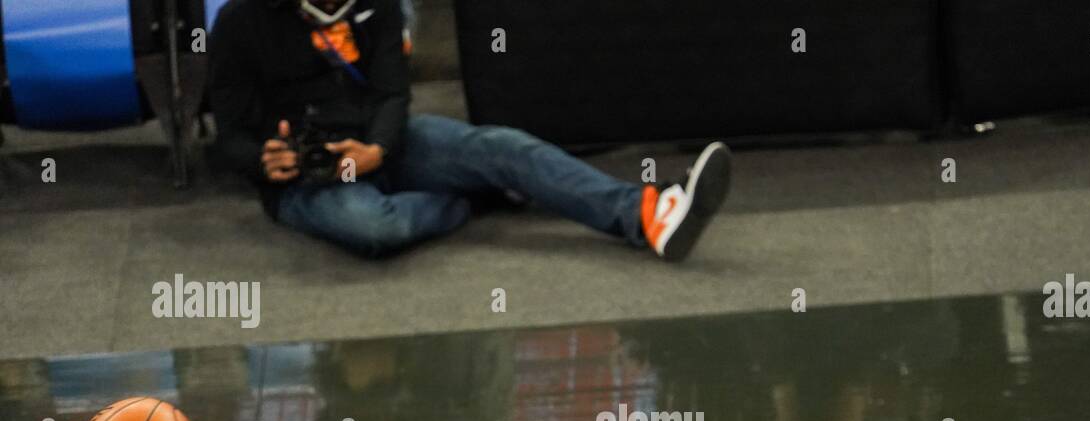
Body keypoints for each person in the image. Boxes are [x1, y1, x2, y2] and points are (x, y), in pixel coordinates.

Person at [208, 0, 731, 259]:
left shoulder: (379, 5)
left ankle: (648, 214)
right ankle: (471, 201)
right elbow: (227, 133)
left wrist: (376, 148)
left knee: (503, 146)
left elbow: (393, 94)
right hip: (306, 178)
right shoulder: (239, 22)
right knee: (374, 228)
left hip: (383, 141)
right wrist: (261, 160)